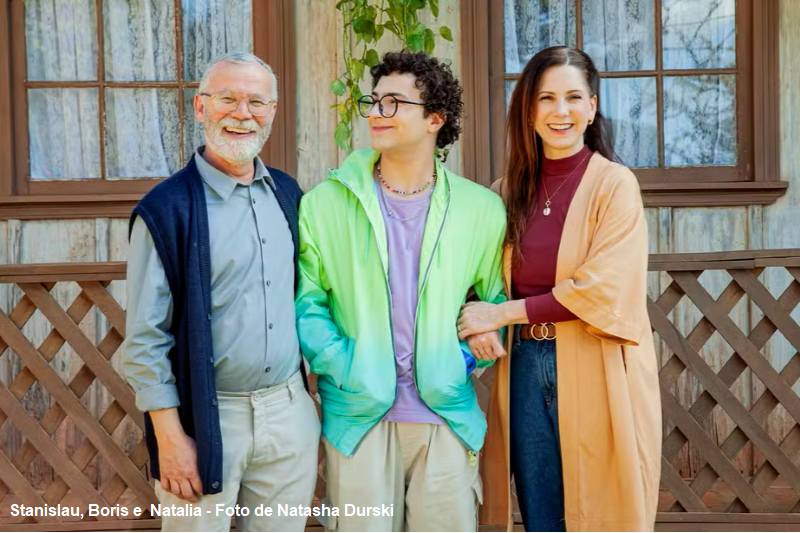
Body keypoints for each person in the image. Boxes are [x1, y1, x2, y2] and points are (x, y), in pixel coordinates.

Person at [295, 50, 507, 532]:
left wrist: (468, 357)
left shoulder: (482, 210)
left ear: (435, 119)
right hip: (358, 416)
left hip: (446, 415)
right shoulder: (323, 204)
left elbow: (495, 301)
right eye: (374, 101)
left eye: (393, 103)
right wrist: (342, 364)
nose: (375, 113)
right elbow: (307, 303)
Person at [458, 46, 661, 531]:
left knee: (602, 508)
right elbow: (470, 275)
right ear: (529, 110)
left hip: (596, 363)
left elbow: (602, 289)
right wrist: (473, 313)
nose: (561, 111)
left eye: (574, 97)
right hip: (526, 367)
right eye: (547, 98)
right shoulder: (505, 193)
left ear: (592, 108)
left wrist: (501, 315)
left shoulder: (615, 186)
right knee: (540, 512)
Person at [124, 52, 320, 532]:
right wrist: (169, 438)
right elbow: (146, 339)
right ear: (200, 108)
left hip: (288, 411)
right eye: (227, 99)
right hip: (208, 417)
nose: (242, 113)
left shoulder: (288, 194)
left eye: (256, 101)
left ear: (272, 112)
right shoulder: (166, 209)